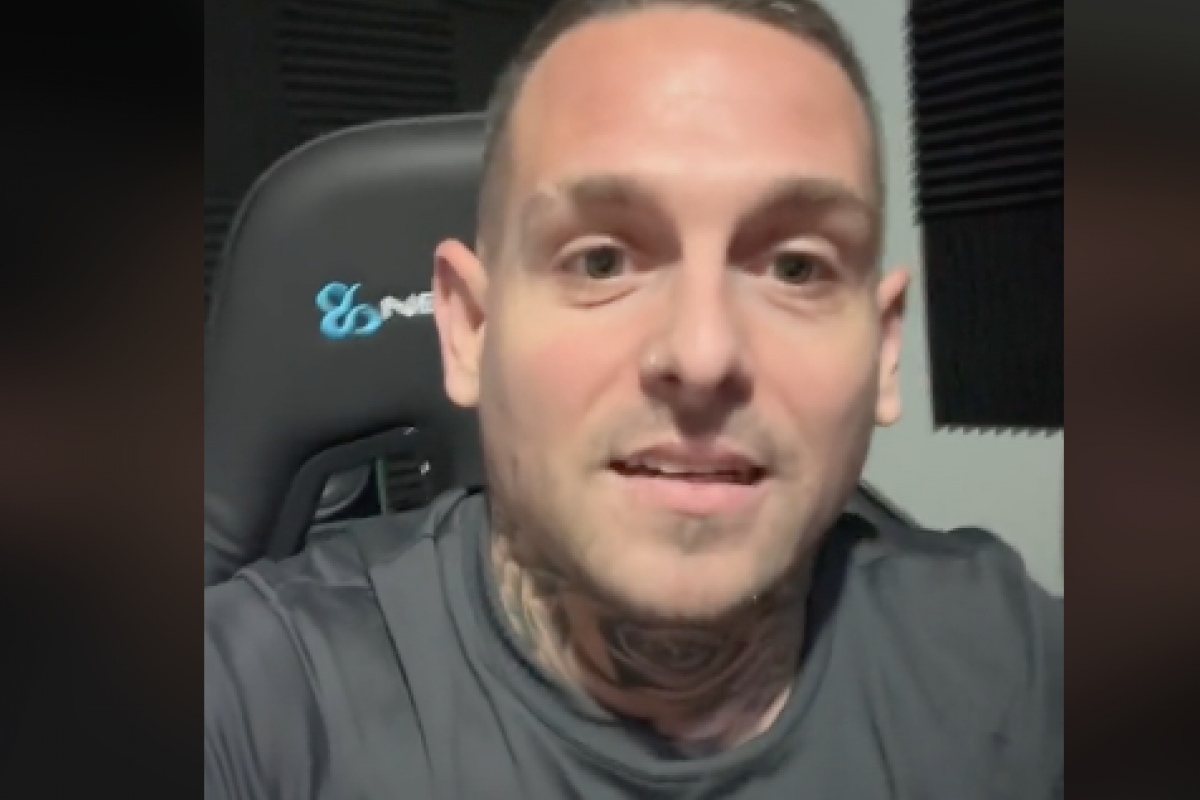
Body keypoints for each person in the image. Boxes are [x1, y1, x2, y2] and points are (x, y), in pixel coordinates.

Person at [204, 0, 1064, 797]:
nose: (702, 355)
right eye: (602, 262)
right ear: (468, 329)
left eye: (796, 268)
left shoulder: (1009, 667)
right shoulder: (256, 700)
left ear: (883, 352)